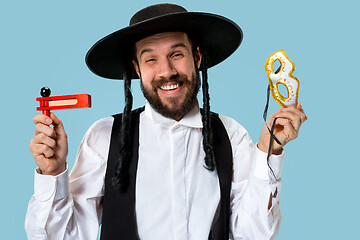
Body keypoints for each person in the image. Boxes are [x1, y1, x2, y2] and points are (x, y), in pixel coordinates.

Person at [26, 3, 307, 240]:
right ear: (137, 69)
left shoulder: (231, 136)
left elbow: (253, 233)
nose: (166, 71)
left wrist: (270, 150)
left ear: (196, 57)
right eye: (151, 60)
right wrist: (53, 174)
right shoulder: (103, 137)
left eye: (177, 54)